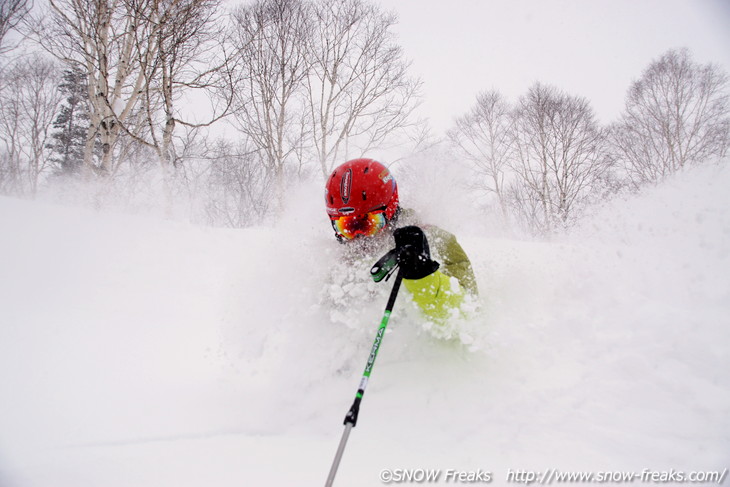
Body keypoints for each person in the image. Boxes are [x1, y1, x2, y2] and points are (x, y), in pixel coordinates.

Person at [325, 158, 478, 322]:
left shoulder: (436, 240)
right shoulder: (339, 259)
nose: (360, 237)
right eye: (346, 226)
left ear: (390, 211)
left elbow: (467, 315)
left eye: (369, 223)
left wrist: (423, 276)